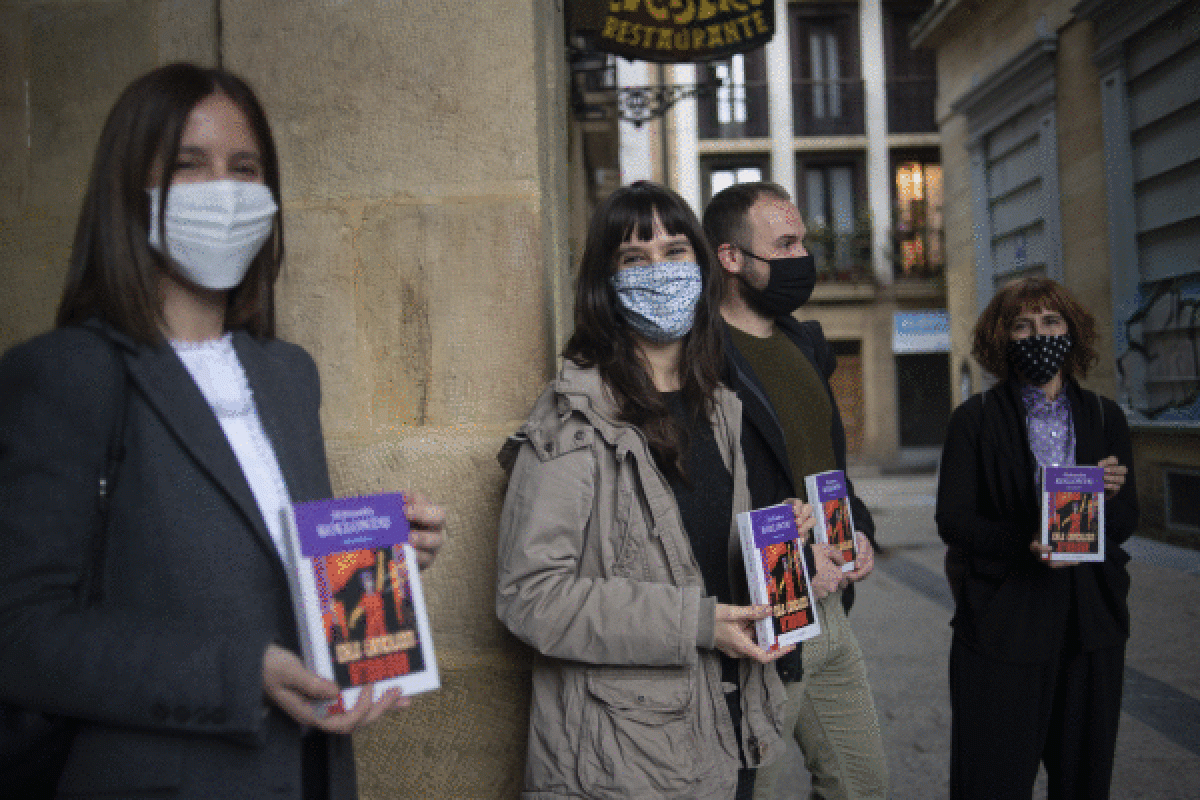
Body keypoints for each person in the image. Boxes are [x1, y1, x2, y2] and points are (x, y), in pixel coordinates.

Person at [0, 63, 444, 800]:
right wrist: (239, 673)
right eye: (189, 166)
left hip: (308, 773)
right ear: (129, 192)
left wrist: (376, 557)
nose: (225, 190)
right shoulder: (68, 372)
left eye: (245, 169)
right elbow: (18, 633)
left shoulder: (287, 374)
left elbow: (266, 570)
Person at [495, 181, 809, 800]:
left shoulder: (721, 407)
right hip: (623, 762)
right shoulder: (572, 422)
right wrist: (696, 622)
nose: (659, 271)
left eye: (674, 252)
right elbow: (529, 597)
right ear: (605, 282)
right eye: (635, 259)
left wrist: (784, 551)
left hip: (730, 733)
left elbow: (706, 556)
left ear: (703, 264)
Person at [702, 182, 888, 800]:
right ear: (731, 258)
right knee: (747, 788)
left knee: (863, 785)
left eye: (803, 241)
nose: (802, 257)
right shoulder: (702, 360)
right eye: (784, 244)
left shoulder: (805, 343)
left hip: (834, 610)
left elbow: (827, 463)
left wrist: (858, 529)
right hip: (767, 618)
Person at [936, 277, 1136, 800]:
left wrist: (1108, 498)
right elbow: (953, 520)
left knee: (1084, 782)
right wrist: (1024, 540)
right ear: (1003, 339)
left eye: (1050, 322)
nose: (1038, 334)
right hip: (1004, 625)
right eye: (1022, 325)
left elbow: (1128, 520)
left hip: (1088, 627)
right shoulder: (974, 420)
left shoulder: (1103, 417)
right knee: (992, 781)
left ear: (1071, 332)